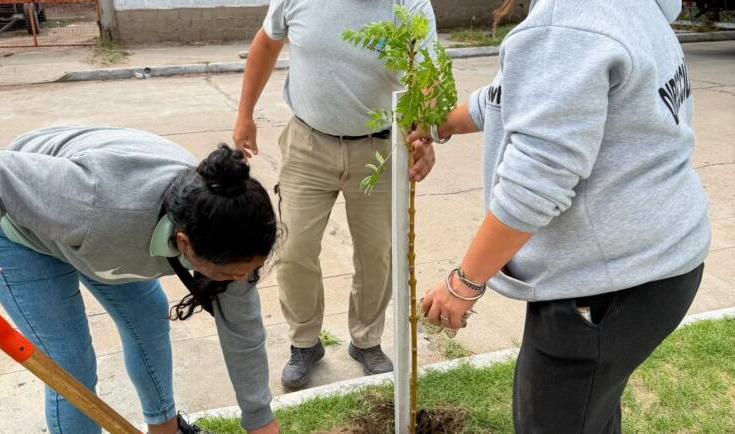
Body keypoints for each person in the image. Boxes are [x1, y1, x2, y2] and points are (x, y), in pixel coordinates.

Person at [411, 0, 710, 432]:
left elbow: (535, 181)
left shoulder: (569, 21)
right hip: (658, 265)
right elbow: (513, 93)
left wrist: (465, 283)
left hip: (610, 284)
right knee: (591, 412)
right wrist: (441, 124)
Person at [0, 126, 280, 434]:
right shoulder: (97, 200)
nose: (240, 280)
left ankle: (165, 431)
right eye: (230, 274)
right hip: (23, 235)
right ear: (184, 244)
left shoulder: (229, 231)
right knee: (71, 367)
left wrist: (260, 419)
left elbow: (243, 331)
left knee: (149, 320)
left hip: (101, 236)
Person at [233, 0, 438, 389]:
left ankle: (367, 340)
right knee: (294, 250)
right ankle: (305, 342)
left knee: (376, 253)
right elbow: (266, 42)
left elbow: (427, 74)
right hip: (308, 144)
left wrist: (424, 134)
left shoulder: (410, 5)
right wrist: (245, 113)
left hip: (380, 149)